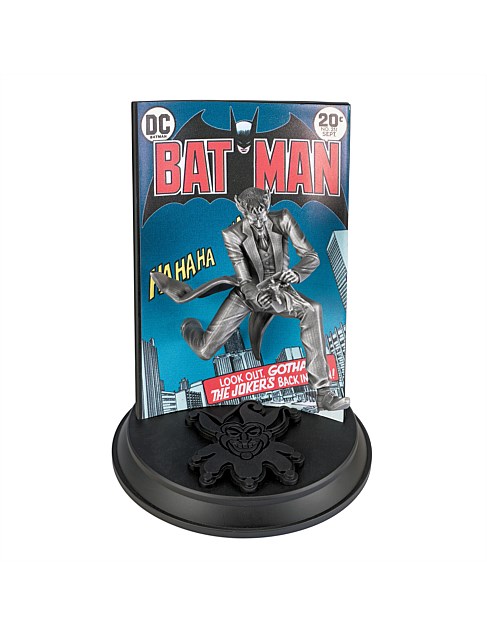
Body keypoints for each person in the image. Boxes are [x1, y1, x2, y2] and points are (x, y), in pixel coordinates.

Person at [152, 187, 350, 411]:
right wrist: (256, 297)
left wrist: (296, 273)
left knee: (313, 309)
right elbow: (244, 279)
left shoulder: (284, 219)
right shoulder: (232, 234)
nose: (258, 219)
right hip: (246, 294)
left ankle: (323, 393)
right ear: (241, 209)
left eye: (262, 212)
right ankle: (189, 326)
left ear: (268, 203)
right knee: (204, 351)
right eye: (251, 214)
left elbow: (311, 256)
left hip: (279, 290)